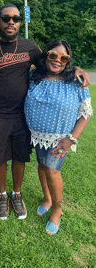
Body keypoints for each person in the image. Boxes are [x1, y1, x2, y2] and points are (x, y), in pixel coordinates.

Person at [0, 4, 90, 220]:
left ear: (19, 22)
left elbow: (54, 62)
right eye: (6, 18)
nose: (11, 22)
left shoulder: (30, 47)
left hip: (23, 117)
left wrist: (76, 69)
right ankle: (2, 195)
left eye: (16, 19)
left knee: (20, 157)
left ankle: (16, 195)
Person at [24, 40, 92, 235]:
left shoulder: (75, 80)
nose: (57, 60)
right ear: (45, 55)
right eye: (53, 55)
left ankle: (57, 209)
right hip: (37, 136)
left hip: (61, 139)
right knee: (42, 167)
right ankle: (47, 198)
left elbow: (85, 113)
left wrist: (71, 139)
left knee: (53, 172)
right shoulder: (33, 77)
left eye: (64, 58)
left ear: (68, 60)